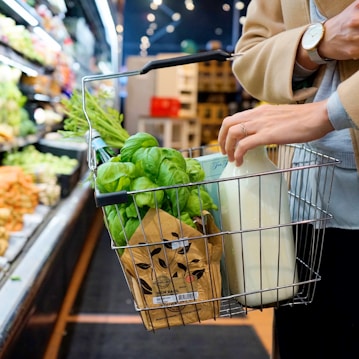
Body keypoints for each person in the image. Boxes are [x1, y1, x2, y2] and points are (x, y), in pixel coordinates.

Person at [218, 1, 359, 358]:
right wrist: (317, 43)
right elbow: (248, 56)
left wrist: (331, 112)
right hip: (305, 200)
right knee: (304, 340)